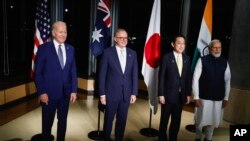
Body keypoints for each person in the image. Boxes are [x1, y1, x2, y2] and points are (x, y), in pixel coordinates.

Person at [34, 21, 77, 141]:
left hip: (65, 94)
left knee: (62, 123)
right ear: (53, 33)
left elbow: (73, 71)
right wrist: (42, 92)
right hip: (48, 95)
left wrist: (74, 90)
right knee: (47, 125)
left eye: (65, 32)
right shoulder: (44, 49)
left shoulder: (71, 49)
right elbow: (38, 73)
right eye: (60, 32)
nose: (63, 34)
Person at [98, 28, 138, 141]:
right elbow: (102, 75)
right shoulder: (107, 53)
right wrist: (102, 94)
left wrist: (134, 92)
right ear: (115, 39)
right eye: (121, 37)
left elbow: (134, 74)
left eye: (126, 38)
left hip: (126, 94)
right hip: (111, 94)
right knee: (108, 119)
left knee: (122, 120)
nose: (124, 40)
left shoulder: (133, 53)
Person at [192, 39, 231, 141]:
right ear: (210, 49)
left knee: (213, 120)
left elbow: (227, 81)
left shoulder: (224, 62)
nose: (217, 50)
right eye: (215, 47)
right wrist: (195, 96)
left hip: (218, 98)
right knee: (200, 121)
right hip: (203, 97)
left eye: (219, 47)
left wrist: (226, 98)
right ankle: (198, 137)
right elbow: (195, 78)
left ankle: (208, 138)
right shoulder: (202, 60)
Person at [158, 35, 192, 141]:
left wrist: (188, 94)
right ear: (173, 44)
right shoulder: (166, 57)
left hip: (180, 96)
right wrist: (161, 94)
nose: (181, 45)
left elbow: (188, 78)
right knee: (164, 121)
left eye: (183, 43)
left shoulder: (187, 58)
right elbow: (161, 77)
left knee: (176, 122)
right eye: (179, 43)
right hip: (167, 96)